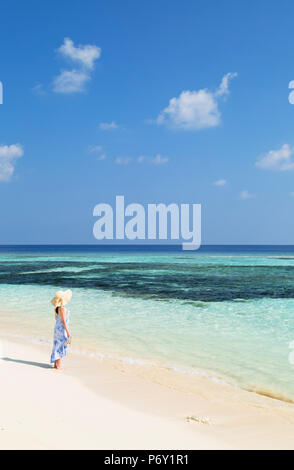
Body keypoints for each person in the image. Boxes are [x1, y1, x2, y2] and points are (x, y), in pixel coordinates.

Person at [50, 289, 72, 369]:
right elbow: (63, 321)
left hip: (57, 329)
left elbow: (58, 320)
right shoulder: (62, 308)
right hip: (61, 329)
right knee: (61, 345)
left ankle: (56, 365)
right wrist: (68, 332)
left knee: (58, 345)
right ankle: (58, 366)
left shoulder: (57, 308)